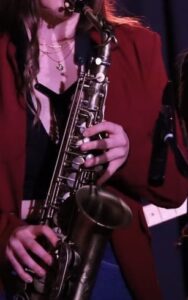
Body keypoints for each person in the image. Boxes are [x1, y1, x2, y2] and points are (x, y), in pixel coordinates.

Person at [0, 0, 187, 299]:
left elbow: (176, 189)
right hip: (16, 270)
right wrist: (4, 234)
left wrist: (128, 153)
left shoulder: (138, 46)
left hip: (107, 264)